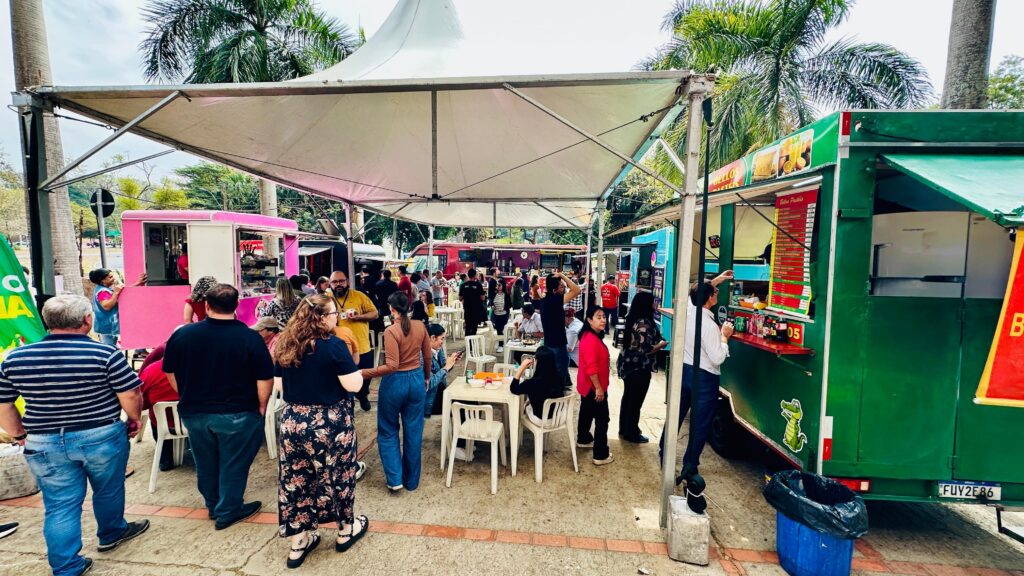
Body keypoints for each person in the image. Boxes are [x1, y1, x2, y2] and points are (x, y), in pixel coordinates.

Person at [0, 295, 150, 576]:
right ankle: (111, 533)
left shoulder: (16, 358)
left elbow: (3, 403)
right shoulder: (105, 354)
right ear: (87, 320)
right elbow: (130, 392)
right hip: (100, 436)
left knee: (59, 504)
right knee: (108, 488)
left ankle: (67, 567)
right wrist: (133, 419)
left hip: (43, 441)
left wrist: (19, 434)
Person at [163, 284, 272, 530]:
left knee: (205, 461)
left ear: (207, 306)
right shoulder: (249, 338)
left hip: (195, 412)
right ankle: (228, 510)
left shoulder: (182, 335)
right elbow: (264, 378)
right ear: (237, 307)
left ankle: (214, 504)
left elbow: (168, 370)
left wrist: (186, 393)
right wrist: (262, 406)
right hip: (238, 413)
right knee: (234, 463)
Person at [273, 295, 369, 567]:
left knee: (296, 480)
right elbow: (353, 385)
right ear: (321, 318)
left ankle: (299, 542)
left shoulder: (286, 342)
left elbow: (280, 386)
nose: (335, 318)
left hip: (293, 422)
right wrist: (358, 373)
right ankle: (345, 531)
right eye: (332, 314)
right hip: (330, 424)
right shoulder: (334, 346)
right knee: (338, 475)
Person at [660, 271, 735, 485]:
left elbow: (696, 293)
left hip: (683, 372)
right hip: (704, 378)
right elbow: (717, 357)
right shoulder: (710, 326)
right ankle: (690, 465)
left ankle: (664, 452)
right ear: (710, 298)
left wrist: (717, 280)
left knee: (676, 415)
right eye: (716, 291)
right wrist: (724, 336)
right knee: (700, 424)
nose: (717, 294)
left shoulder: (688, 311)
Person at [361, 292, 432, 492]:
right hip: (417, 380)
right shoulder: (420, 326)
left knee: (388, 430)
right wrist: (426, 377)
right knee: (413, 431)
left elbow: (392, 366)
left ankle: (395, 479)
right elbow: (427, 357)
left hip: (394, 384)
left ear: (391, 309)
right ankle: (412, 481)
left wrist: (363, 373)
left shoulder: (391, 331)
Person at [617, 291, 666, 444]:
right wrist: (660, 345)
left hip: (628, 364)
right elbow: (646, 348)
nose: (655, 305)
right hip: (639, 367)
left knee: (628, 398)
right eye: (653, 302)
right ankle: (631, 432)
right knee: (635, 401)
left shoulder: (634, 318)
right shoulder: (644, 323)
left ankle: (624, 428)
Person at [327, 270, 379, 412]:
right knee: (342, 377)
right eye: (335, 282)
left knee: (366, 375)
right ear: (330, 284)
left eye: (341, 281)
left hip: (361, 345)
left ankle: (363, 395)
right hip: (337, 349)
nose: (338, 284)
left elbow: (375, 313)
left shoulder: (359, 296)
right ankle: (347, 401)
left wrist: (359, 317)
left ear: (347, 282)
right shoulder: (325, 299)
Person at [576, 307, 612, 465]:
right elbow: (591, 367)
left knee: (586, 412)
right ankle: (600, 454)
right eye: (598, 317)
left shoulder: (590, 335)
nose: (603, 320)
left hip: (587, 385)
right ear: (589, 320)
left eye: (604, 316)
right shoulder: (590, 339)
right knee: (602, 419)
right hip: (593, 387)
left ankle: (583, 438)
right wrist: (598, 388)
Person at [140, 350, 182, 472]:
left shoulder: (150, 370)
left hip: (163, 425)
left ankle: (165, 459)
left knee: (155, 415)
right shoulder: (196, 366)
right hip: (192, 422)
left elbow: (143, 404)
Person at [510, 346, 567, 427]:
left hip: (542, 420)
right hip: (559, 417)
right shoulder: (559, 376)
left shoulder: (532, 383)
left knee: (525, 404)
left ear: (537, 361)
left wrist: (521, 367)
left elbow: (513, 389)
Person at [540, 272, 581, 380]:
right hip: (557, 345)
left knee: (557, 374)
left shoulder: (545, 300)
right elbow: (577, 290)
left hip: (550, 343)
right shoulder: (555, 300)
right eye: (561, 287)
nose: (564, 289)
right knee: (559, 377)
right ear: (554, 290)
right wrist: (562, 275)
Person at [89, 268, 145, 346]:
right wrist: (116, 293)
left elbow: (123, 291)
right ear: (102, 280)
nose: (113, 278)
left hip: (109, 324)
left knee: (112, 345)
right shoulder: (102, 292)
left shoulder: (106, 289)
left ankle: (139, 351)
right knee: (109, 347)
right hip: (107, 325)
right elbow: (106, 306)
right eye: (110, 277)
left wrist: (137, 283)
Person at [425, 323, 461, 418]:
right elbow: (429, 383)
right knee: (464, 407)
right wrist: (446, 367)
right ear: (433, 338)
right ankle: (459, 432)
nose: (443, 342)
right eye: (442, 338)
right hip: (430, 402)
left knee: (469, 399)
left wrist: (452, 362)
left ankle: (461, 431)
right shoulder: (422, 356)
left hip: (441, 393)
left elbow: (444, 368)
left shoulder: (437, 349)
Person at [458, 268, 486, 337]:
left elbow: (460, 298)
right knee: (474, 326)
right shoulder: (478, 285)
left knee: (467, 326)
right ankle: (472, 345)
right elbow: (482, 298)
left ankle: (468, 345)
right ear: (475, 275)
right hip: (476, 309)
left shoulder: (463, 285)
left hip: (467, 308)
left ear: (468, 275)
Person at [489, 278, 510, 348]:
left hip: (503, 315)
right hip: (496, 314)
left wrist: (504, 308)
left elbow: (509, 304)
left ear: (503, 285)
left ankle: (501, 344)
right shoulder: (494, 293)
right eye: (497, 285)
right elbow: (491, 302)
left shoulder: (506, 294)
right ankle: (501, 343)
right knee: (498, 329)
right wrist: (492, 306)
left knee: (501, 329)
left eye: (499, 285)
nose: (498, 287)